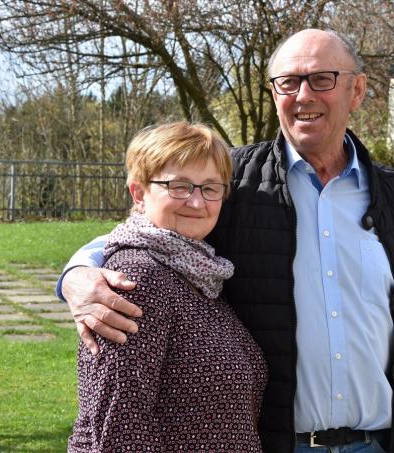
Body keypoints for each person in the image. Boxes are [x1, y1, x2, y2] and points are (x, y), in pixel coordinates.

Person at [60, 29, 394, 453]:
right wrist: (77, 274)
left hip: (378, 444)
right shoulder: (236, 183)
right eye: (288, 82)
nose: (303, 95)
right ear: (273, 93)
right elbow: (155, 230)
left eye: (322, 79)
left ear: (356, 90)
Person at [67, 122, 268, 451]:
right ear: (139, 193)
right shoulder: (135, 277)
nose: (196, 202)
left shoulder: (199, 273)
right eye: (179, 186)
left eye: (210, 188)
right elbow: (118, 424)